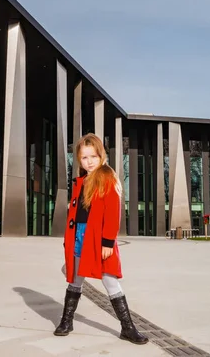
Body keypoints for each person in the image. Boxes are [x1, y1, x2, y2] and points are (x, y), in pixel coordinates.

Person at [54, 133, 148, 345]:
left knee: (110, 280)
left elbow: (113, 212)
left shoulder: (107, 177)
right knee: (75, 280)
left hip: (98, 238)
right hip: (79, 236)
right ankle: (66, 321)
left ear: (101, 156)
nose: (89, 162)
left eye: (93, 157)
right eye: (84, 157)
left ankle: (127, 327)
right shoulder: (81, 180)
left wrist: (107, 242)